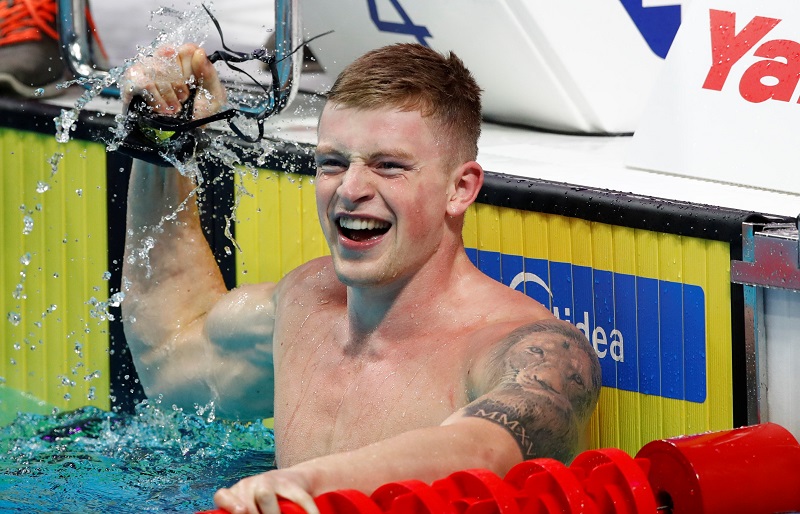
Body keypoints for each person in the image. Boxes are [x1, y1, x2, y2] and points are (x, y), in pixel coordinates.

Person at [120, 42, 602, 514]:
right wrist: (161, 143)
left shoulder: (528, 347)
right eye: (332, 163)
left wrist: (311, 482)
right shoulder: (305, 303)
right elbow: (170, 359)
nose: (349, 190)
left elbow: (485, 452)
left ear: (460, 188)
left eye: (388, 166)